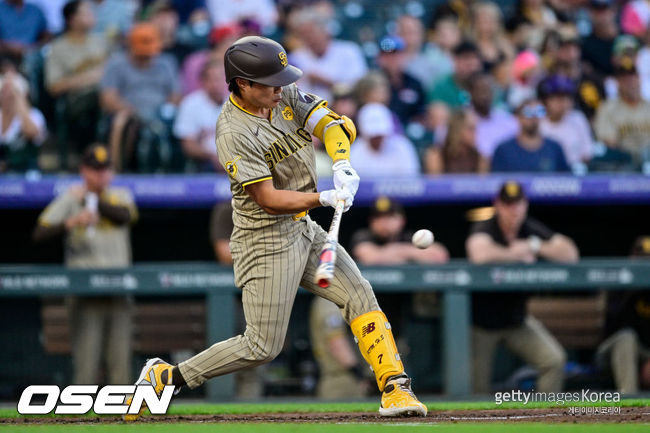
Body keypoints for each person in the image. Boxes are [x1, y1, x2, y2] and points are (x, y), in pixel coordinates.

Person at [126, 36, 427, 419]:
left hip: (302, 226)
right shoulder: (232, 131)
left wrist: (341, 164)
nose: (279, 87)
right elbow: (267, 198)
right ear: (242, 84)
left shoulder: (281, 94)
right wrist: (323, 198)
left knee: (360, 295)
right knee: (262, 346)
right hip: (264, 237)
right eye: (269, 81)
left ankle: (396, 388)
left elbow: (333, 123)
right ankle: (167, 376)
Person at [33, 144, 138, 385]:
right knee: (86, 366)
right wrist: (71, 222)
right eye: (95, 169)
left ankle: (123, 417)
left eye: (105, 169)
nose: (100, 175)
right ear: (83, 170)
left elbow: (125, 217)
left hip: (118, 288)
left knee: (120, 365)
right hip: (84, 291)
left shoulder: (119, 196)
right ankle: (82, 418)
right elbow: (40, 233)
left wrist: (93, 200)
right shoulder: (71, 198)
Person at [466, 181, 578, 393]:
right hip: (482, 325)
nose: (513, 210)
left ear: (525, 205)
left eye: (518, 203)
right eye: (508, 204)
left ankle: (546, 418)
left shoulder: (529, 229)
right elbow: (479, 254)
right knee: (475, 389)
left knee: (553, 360)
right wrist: (515, 255)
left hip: (517, 320)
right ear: (497, 205)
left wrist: (533, 245)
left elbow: (570, 254)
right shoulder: (487, 226)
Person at [100, 23, 180, 171]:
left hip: (160, 113)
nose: (146, 58)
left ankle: (174, 169)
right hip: (129, 113)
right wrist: (131, 111)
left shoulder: (167, 63)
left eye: (148, 54)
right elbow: (108, 98)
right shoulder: (116, 64)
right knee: (121, 120)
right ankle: (118, 169)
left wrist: (164, 110)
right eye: (141, 55)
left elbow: (176, 95)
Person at [209, 200, 265, 399]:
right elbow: (225, 253)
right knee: (224, 360)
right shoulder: (227, 209)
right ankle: (218, 418)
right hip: (232, 296)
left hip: (261, 292)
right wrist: (266, 250)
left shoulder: (271, 208)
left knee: (256, 363)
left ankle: (249, 419)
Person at [46, 0, 109, 159]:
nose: (92, 16)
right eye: (86, 13)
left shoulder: (100, 42)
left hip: (105, 97)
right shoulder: (58, 47)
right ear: (72, 19)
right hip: (76, 101)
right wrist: (89, 78)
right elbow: (53, 87)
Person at [596, 236, 650, 394]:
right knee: (627, 337)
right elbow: (613, 326)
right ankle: (629, 406)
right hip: (612, 351)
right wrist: (633, 289)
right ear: (632, 258)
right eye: (641, 261)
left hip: (645, 354)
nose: (645, 266)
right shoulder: (620, 282)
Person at [289, 9, 367, 103]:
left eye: (311, 32)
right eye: (303, 34)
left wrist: (326, 82)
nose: (308, 37)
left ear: (325, 30)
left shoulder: (349, 51)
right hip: (309, 112)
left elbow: (361, 87)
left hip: (348, 108)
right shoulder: (295, 58)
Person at [351, 197, 449, 265]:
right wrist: (411, 255)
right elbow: (371, 258)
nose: (383, 222)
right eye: (378, 217)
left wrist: (395, 253)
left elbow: (440, 256)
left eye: (390, 217)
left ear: (402, 221)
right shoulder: (363, 235)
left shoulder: (409, 237)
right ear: (371, 221)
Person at [309, 296, 370, 400]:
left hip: (342, 378)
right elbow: (336, 343)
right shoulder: (329, 300)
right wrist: (358, 374)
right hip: (341, 380)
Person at [593, 59, 650, 166]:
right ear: (618, 82)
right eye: (625, 79)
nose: (630, 82)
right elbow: (608, 141)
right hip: (622, 165)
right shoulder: (608, 108)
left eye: (633, 77)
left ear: (639, 79)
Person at [491, 99, 570, 173]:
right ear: (518, 117)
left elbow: (566, 180)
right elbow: (496, 182)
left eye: (539, 111)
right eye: (528, 112)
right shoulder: (503, 150)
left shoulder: (555, 148)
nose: (533, 116)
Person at [173, 60, 225, 172]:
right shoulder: (190, 103)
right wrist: (214, 157)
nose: (216, 84)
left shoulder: (240, 103)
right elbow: (188, 146)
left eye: (220, 79)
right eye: (211, 79)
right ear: (203, 82)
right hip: (204, 163)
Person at [350, 103, 421, 177]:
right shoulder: (354, 151)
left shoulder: (402, 147)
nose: (377, 138)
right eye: (373, 136)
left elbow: (412, 181)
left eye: (380, 135)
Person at [538, 74, 593, 167]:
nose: (563, 102)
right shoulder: (538, 121)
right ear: (546, 100)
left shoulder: (578, 119)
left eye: (566, 97)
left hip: (574, 173)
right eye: (557, 97)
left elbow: (587, 155)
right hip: (545, 173)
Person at [376, 35, 426, 128]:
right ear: (379, 58)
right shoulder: (372, 84)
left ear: (403, 56)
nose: (391, 59)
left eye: (395, 54)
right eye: (387, 55)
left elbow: (421, 114)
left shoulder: (414, 84)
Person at [0, 71, 46, 172]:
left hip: (27, 171)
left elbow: (31, 132)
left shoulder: (35, 114)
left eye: (11, 92)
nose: (6, 96)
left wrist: (19, 98)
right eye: (3, 91)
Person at [467, 72, 519, 160]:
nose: (484, 94)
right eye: (480, 90)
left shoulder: (506, 119)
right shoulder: (461, 120)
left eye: (488, 90)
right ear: (470, 92)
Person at [425, 109, 488, 175]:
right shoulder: (437, 155)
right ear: (457, 129)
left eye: (475, 129)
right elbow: (435, 183)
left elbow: (482, 183)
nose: (475, 133)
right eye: (471, 129)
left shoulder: (480, 158)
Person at [428, 40, 482, 109]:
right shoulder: (440, 85)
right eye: (466, 58)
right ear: (454, 59)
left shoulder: (486, 86)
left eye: (475, 58)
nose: (471, 63)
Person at [581, 0, 618, 77]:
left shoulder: (628, 38)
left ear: (614, 10)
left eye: (604, 8)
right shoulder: (586, 46)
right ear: (590, 12)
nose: (601, 14)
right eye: (597, 9)